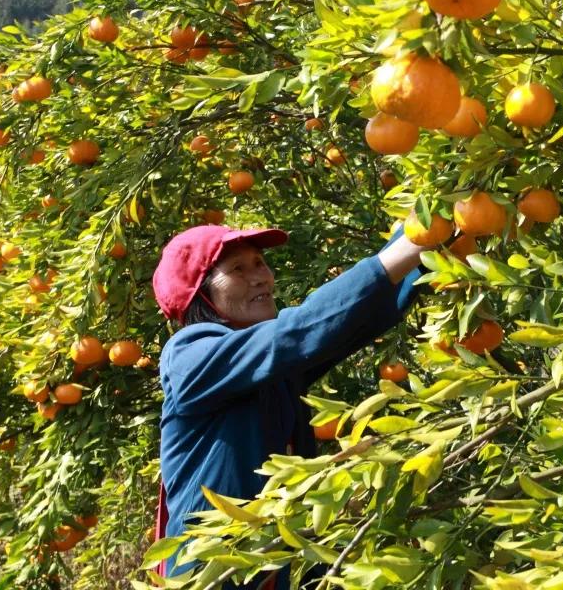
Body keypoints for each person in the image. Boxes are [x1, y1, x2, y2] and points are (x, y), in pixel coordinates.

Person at [151, 222, 427, 588]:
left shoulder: (269, 369)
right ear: (200, 295)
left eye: (260, 262)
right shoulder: (189, 355)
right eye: (238, 269)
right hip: (208, 573)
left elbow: (349, 321)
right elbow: (296, 332)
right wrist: (408, 244)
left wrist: (424, 239)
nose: (260, 277)